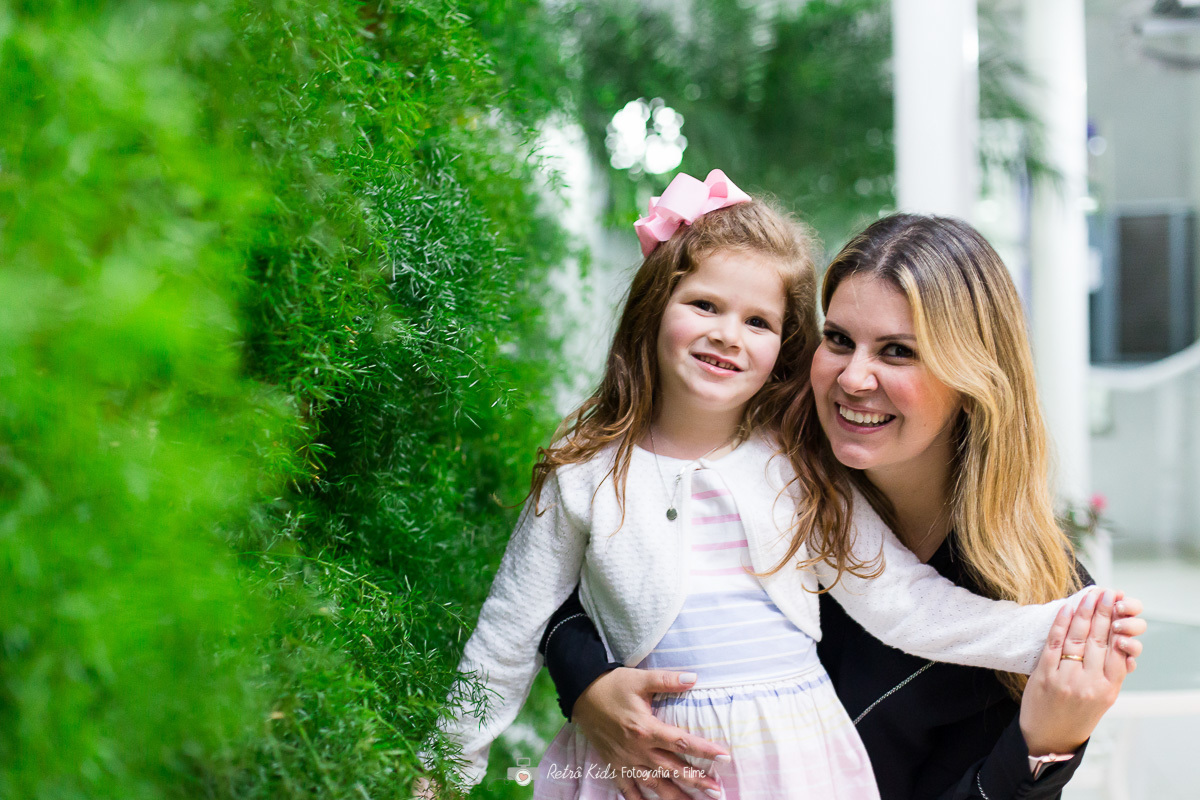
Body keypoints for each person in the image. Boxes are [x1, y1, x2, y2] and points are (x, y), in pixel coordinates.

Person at [427, 173, 1101, 800]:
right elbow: (514, 625)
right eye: (840, 340)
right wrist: (458, 763)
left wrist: (1054, 641)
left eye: (897, 350)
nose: (728, 335)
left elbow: (906, 603)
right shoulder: (594, 476)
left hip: (793, 767)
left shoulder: (795, 473)